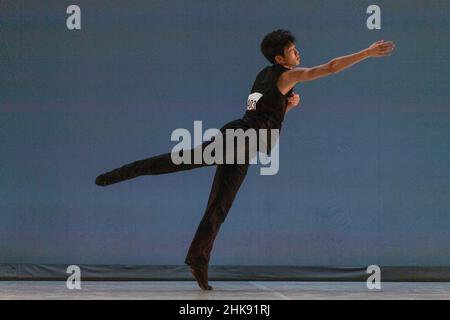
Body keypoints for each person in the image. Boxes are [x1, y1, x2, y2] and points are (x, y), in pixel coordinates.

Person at [95, 29, 395, 290]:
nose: (297, 53)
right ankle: (119, 174)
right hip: (236, 141)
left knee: (219, 206)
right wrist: (367, 52)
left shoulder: (263, 76)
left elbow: (259, 114)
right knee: (173, 163)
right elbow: (329, 68)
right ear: (280, 59)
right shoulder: (288, 75)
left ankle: (197, 259)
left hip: (242, 142)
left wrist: (286, 108)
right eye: (292, 50)